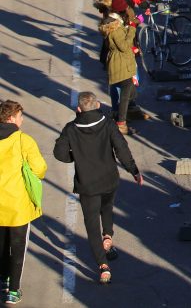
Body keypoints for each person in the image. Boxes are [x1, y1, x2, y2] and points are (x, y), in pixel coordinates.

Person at [52, 92, 142, 284]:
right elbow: (121, 149)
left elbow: (59, 153)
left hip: (87, 184)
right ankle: (108, 236)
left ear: (78, 109)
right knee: (107, 208)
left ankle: (103, 266)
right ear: (98, 104)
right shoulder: (108, 123)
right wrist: (133, 170)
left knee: (91, 224)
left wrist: (75, 157)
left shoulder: (71, 128)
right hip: (109, 179)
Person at [0, 99, 45, 305]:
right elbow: (39, 168)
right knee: (18, 248)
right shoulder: (23, 140)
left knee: (1, 245)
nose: (22, 119)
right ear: (11, 118)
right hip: (17, 205)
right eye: (20, 116)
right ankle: (14, 290)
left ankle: (3, 278)